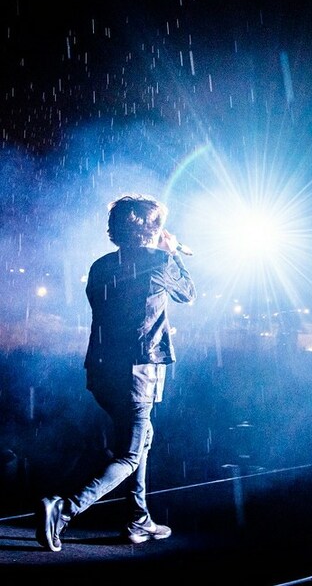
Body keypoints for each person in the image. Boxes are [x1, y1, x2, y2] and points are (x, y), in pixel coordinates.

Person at [35, 193, 196, 552]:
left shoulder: (101, 266)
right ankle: (63, 510)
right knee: (130, 454)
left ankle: (138, 520)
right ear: (153, 230)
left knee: (140, 441)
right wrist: (171, 253)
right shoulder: (160, 261)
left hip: (101, 369)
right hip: (138, 372)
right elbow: (187, 293)